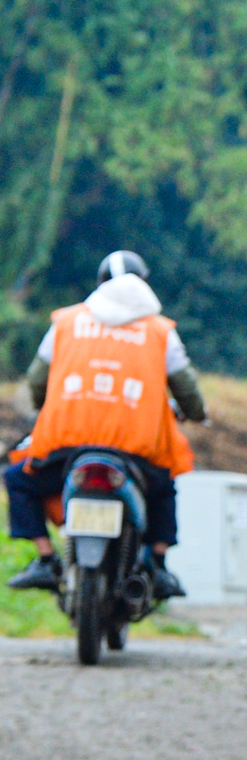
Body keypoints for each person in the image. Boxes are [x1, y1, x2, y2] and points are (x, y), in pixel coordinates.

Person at [6, 251, 202, 597]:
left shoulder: (66, 322)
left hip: (65, 449)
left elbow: (37, 380)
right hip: (134, 454)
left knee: (17, 479)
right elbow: (185, 386)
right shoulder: (159, 331)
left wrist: (43, 406)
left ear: (99, 284)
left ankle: (44, 558)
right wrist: (197, 413)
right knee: (163, 487)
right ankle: (157, 565)